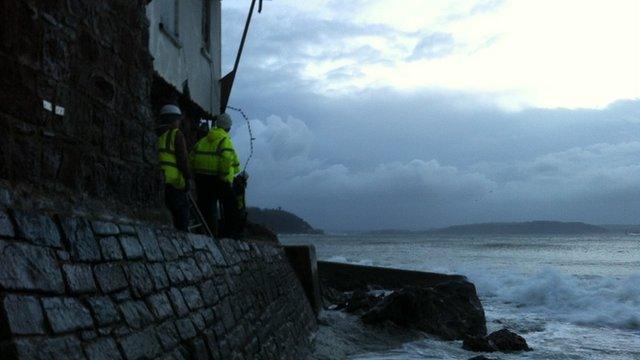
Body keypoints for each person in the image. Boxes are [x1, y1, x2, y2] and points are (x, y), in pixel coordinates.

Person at [190, 113, 241, 237]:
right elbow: (226, 159)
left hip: (201, 178)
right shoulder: (225, 140)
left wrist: (194, 174)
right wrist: (223, 176)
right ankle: (229, 235)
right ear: (228, 128)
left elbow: (191, 157)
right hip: (217, 179)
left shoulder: (203, 140)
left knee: (207, 207)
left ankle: (208, 234)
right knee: (231, 205)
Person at [157, 104, 192, 231]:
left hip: (159, 179)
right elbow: (183, 159)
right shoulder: (176, 134)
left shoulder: (156, 134)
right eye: (178, 120)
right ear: (174, 120)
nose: (179, 123)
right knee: (181, 213)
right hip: (174, 181)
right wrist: (188, 178)